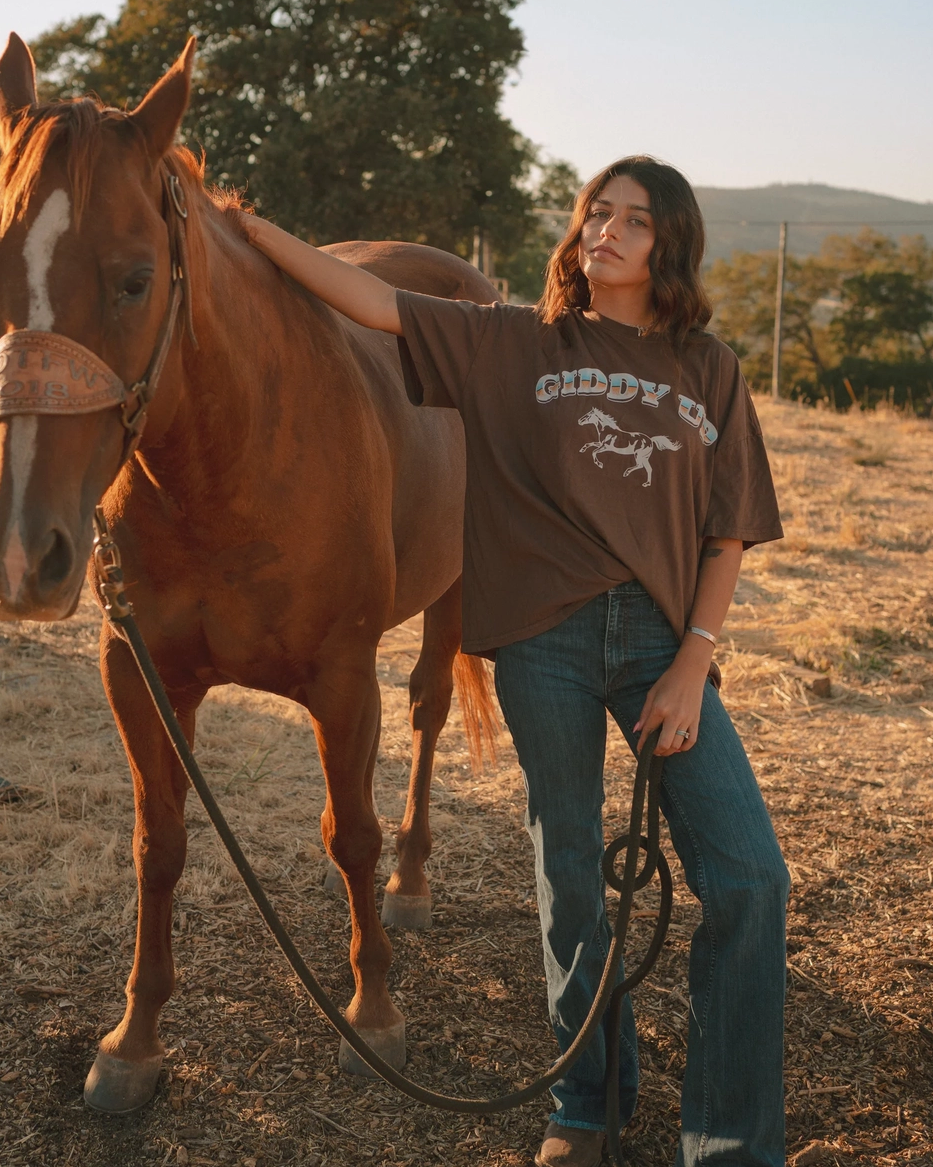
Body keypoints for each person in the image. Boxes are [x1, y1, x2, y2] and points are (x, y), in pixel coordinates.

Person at [241, 155, 789, 1167]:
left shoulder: (708, 367)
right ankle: (588, 1102)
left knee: (752, 877)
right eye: (595, 214)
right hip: (546, 641)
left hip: (668, 643)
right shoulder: (512, 340)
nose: (605, 232)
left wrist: (693, 663)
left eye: (631, 221)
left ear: (669, 243)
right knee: (569, 871)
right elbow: (375, 298)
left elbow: (727, 533)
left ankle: (732, 1140)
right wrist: (245, 227)